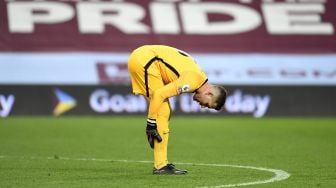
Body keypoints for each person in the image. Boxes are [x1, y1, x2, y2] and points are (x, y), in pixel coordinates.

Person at [128, 45, 227, 175]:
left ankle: (161, 164)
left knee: (163, 111)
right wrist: (151, 123)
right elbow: (159, 95)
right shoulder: (192, 81)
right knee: (162, 109)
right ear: (209, 94)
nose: (203, 106)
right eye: (208, 105)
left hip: (144, 58)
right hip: (145, 60)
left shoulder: (198, 77)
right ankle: (160, 165)